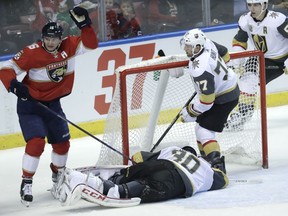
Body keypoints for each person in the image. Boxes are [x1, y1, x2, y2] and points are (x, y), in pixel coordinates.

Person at [0, 6, 98, 206]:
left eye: (54, 39)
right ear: (42, 38)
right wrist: (14, 86)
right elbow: (6, 69)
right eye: (47, 38)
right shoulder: (31, 53)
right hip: (31, 106)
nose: (51, 42)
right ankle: (26, 182)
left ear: (60, 38)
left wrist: (86, 26)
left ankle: (58, 176)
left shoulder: (69, 45)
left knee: (62, 144)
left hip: (53, 105)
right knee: (36, 143)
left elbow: (91, 45)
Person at [51, 145, 228, 207]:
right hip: (173, 181)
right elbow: (223, 180)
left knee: (123, 178)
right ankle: (80, 181)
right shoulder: (207, 170)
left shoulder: (172, 150)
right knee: (120, 193)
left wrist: (134, 167)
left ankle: (79, 177)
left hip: (157, 165)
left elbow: (138, 157)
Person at [177, 28, 240, 174]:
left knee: (205, 131)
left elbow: (207, 102)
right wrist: (216, 78)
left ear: (198, 47)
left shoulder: (200, 69)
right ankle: (205, 160)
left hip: (224, 98)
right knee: (200, 128)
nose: (185, 49)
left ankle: (218, 166)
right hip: (228, 87)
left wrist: (189, 112)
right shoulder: (208, 42)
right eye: (185, 45)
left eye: (189, 46)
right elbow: (225, 52)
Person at [225, 0, 288, 130]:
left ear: (264, 5)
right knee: (247, 80)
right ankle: (243, 114)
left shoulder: (277, 20)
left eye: (256, 5)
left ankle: (243, 113)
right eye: (250, 5)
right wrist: (237, 62)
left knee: (249, 80)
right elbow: (240, 41)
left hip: (280, 58)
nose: (252, 8)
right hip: (259, 57)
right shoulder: (245, 20)